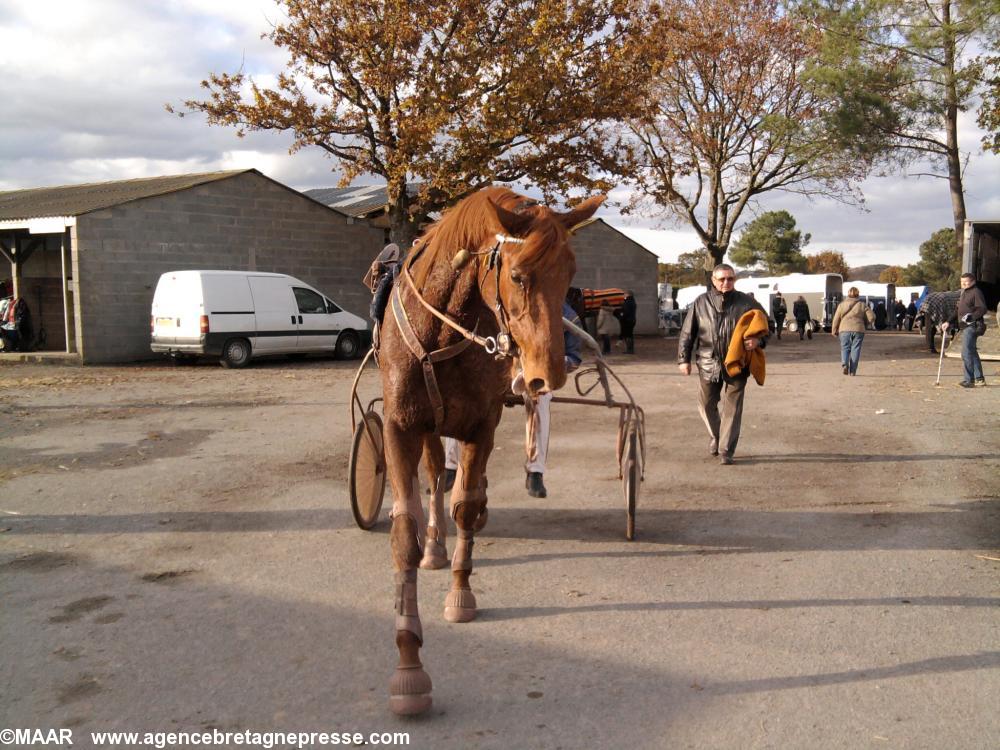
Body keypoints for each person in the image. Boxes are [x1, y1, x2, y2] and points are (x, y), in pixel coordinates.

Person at [443, 301, 583, 498]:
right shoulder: (501, 303)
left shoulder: (565, 314)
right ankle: (450, 466)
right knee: (459, 391)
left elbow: (574, 357)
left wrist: (551, 367)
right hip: (493, 370)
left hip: (531, 374)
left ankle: (535, 471)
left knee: (539, 397)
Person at [677, 263, 767, 465]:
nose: (726, 282)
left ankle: (726, 449)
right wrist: (683, 359)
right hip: (708, 362)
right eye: (722, 279)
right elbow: (687, 333)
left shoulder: (748, 303)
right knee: (707, 404)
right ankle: (716, 436)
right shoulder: (700, 302)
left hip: (738, 363)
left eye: (730, 278)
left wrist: (758, 342)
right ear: (713, 280)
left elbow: (764, 327)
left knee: (732, 408)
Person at [946, 273, 988, 388]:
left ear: (973, 281)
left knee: (966, 352)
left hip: (972, 326)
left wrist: (971, 317)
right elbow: (957, 310)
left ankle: (969, 380)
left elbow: (982, 308)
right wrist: (948, 321)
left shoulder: (976, 292)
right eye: (962, 282)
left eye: (966, 282)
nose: (963, 283)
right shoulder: (964, 293)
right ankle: (979, 379)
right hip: (964, 326)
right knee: (972, 352)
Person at [831, 287, 876, 376]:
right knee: (856, 349)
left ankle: (845, 364)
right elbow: (872, 317)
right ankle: (853, 371)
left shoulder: (841, 305)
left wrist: (834, 330)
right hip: (858, 329)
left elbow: (836, 319)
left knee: (845, 348)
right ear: (858, 294)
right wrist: (865, 323)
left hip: (844, 329)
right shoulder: (862, 305)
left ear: (848, 294)